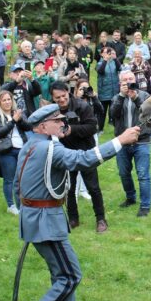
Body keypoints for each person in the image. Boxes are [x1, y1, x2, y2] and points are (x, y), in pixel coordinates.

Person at [15, 104, 140, 301]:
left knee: (59, 272)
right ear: (43, 126)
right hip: (45, 223)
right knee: (70, 275)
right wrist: (120, 140)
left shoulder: (32, 144)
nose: (63, 123)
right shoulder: (48, 149)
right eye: (57, 120)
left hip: (38, 219)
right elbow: (83, 159)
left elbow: (17, 186)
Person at [50, 82, 108, 233]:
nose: (61, 100)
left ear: (67, 92)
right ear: (52, 97)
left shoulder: (82, 106)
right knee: (69, 188)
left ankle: (101, 219)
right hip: (65, 154)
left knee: (93, 187)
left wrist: (71, 129)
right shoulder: (52, 110)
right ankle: (73, 218)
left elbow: (92, 127)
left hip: (85, 153)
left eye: (63, 96)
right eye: (57, 98)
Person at [111, 70, 151, 216]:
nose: (129, 82)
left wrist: (135, 98)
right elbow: (113, 115)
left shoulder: (144, 95)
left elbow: (148, 113)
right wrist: (122, 96)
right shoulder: (117, 97)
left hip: (141, 141)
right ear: (121, 83)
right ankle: (130, 197)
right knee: (123, 173)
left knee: (142, 174)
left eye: (131, 79)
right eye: (125, 80)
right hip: (122, 141)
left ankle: (145, 205)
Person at [0, 91, 32, 215]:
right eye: (4, 100)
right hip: (6, 151)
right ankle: (11, 205)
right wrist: (13, 121)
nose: (7, 102)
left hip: (22, 149)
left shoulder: (17, 112)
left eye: (9, 99)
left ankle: (23, 201)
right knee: (9, 179)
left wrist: (19, 119)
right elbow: (0, 132)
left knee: (23, 178)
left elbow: (28, 127)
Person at [96, 46, 122, 131]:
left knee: (114, 111)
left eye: (109, 52)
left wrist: (115, 59)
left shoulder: (114, 62)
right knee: (102, 112)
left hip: (114, 91)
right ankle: (100, 129)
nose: (108, 54)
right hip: (104, 91)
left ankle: (116, 128)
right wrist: (105, 60)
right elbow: (100, 71)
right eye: (106, 52)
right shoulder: (100, 63)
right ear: (102, 54)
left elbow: (119, 68)